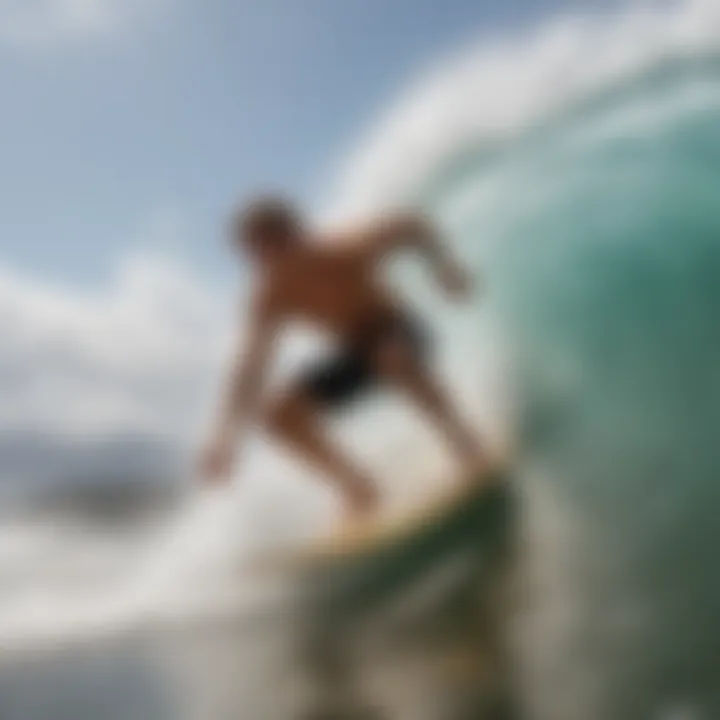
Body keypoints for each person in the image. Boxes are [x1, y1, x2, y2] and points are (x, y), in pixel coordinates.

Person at [200, 196, 489, 522]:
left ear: (290, 234)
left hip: (398, 331)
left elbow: (411, 224)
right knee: (277, 415)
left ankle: (466, 445)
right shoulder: (270, 296)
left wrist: (445, 268)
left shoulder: (348, 247)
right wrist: (225, 436)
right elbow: (250, 367)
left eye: (259, 248)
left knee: (391, 357)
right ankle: (359, 487)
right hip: (355, 353)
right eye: (250, 253)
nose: (257, 261)